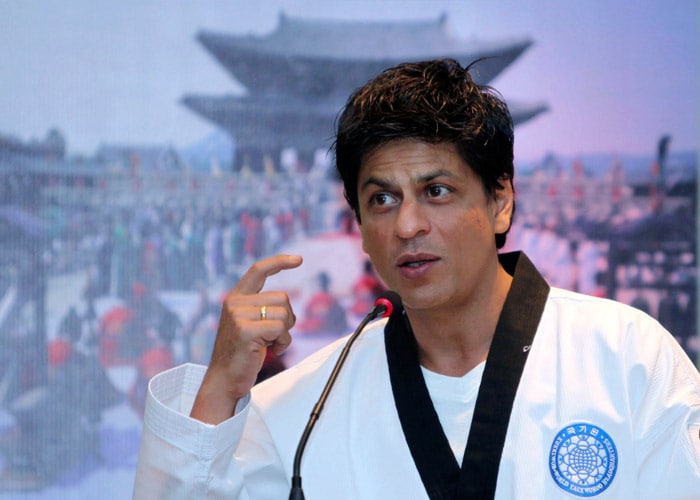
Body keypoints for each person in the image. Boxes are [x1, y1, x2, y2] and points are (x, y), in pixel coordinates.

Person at [133, 59, 700, 499]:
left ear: (501, 202)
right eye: (381, 198)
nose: (406, 225)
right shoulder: (304, 409)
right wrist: (220, 390)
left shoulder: (625, 359)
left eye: (437, 191)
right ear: (357, 223)